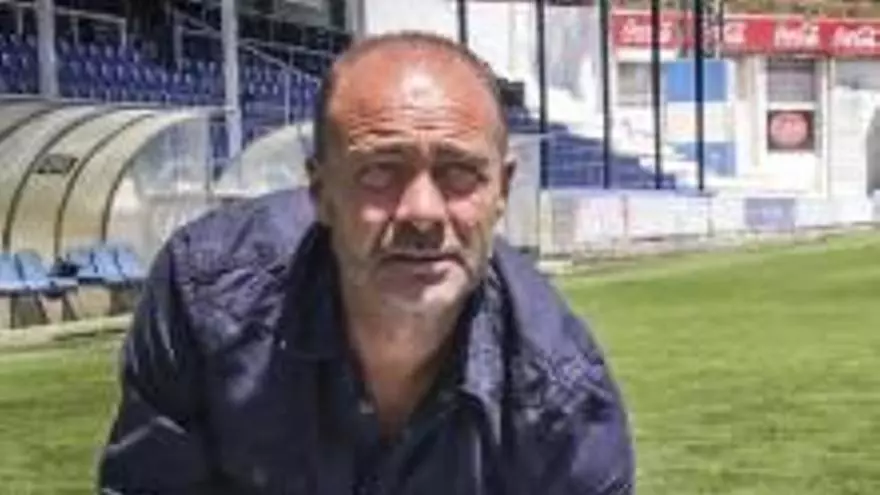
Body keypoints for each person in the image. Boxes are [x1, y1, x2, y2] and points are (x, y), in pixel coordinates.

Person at [98, 31, 634, 494]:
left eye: (459, 173)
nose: (422, 213)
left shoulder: (562, 400)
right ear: (321, 192)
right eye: (380, 172)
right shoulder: (206, 298)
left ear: (502, 191)